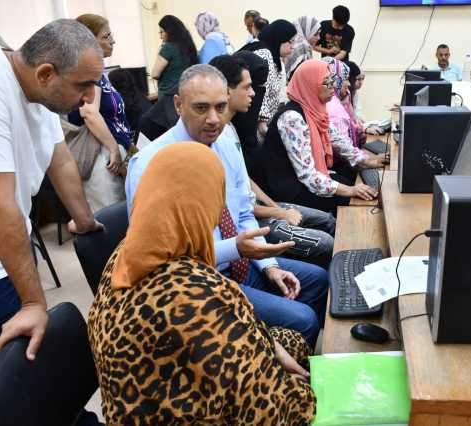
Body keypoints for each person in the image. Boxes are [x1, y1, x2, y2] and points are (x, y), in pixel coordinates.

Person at [89, 142, 316, 425]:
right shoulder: (199, 294)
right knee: (301, 350)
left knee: (288, 342)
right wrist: (304, 391)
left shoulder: (125, 253)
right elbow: (269, 411)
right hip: (184, 406)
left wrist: (267, 344)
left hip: (150, 395)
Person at [126, 64, 329, 347]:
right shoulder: (150, 164)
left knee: (318, 279)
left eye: (220, 107)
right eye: (201, 108)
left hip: (242, 263)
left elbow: (243, 212)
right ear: (178, 105)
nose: (213, 119)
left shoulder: (225, 141)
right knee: (303, 319)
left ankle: (282, 353)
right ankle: (268, 363)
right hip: (196, 283)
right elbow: (161, 259)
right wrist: (236, 248)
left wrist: (268, 266)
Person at [0, 19, 103, 361]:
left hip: (13, 242)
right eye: (84, 85)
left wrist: (84, 220)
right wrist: (33, 303)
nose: (90, 97)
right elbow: (1, 205)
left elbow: (61, 162)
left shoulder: (40, 93)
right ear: (45, 74)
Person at [212, 54, 336, 269]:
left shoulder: (229, 129)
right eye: (248, 87)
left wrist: (276, 207)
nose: (254, 93)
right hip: (251, 221)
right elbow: (237, 207)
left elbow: (246, 181)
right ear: (227, 91)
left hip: (261, 209)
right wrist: (279, 212)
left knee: (329, 221)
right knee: (325, 243)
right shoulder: (214, 137)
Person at [262, 59, 383, 216]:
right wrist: (350, 190)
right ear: (309, 84)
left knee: (358, 188)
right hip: (292, 189)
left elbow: (337, 140)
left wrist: (367, 161)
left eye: (333, 80)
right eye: (326, 82)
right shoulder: (292, 118)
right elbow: (307, 176)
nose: (333, 86)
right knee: (357, 204)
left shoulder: (315, 109)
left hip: (309, 181)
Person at [70, 13, 131, 212]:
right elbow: (89, 112)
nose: (113, 40)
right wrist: (114, 149)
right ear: (88, 42)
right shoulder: (87, 71)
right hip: (102, 157)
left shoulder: (98, 72)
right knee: (112, 216)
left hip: (111, 154)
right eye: (106, 36)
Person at [240, 20, 297, 140]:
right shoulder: (265, 54)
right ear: (279, 39)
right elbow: (263, 90)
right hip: (255, 126)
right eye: (290, 41)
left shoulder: (274, 56)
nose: (293, 46)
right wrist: (263, 124)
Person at [151, 15, 197, 97]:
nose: (160, 37)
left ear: (169, 31)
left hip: (168, 96)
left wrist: (159, 52)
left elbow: (155, 74)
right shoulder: (188, 47)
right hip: (186, 94)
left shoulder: (168, 47)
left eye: (161, 32)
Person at [107, 68, 152, 139]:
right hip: (150, 135)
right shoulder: (140, 95)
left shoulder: (121, 104)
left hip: (140, 139)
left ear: (115, 85)